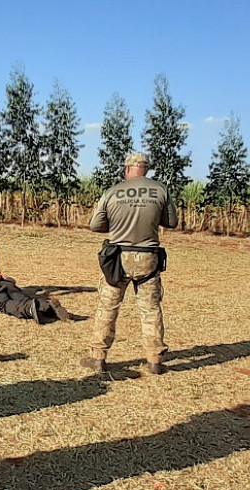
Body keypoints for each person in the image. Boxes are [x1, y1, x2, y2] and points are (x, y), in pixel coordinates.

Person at [81, 152, 178, 375]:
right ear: (147, 169)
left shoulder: (112, 191)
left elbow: (95, 225)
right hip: (148, 258)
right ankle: (154, 360)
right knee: (151, 309)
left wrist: (116, 228)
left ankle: (98, 358)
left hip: (117, 259)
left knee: (108, 306)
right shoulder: (160, 189)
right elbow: (171, 222)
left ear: (126, 169)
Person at [0, 271, 70, 324]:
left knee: (5, 305)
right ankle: (49, 308)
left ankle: (30, 309)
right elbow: (12, 280)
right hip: (8, 286)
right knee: (26, 300)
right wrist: (0, 278)